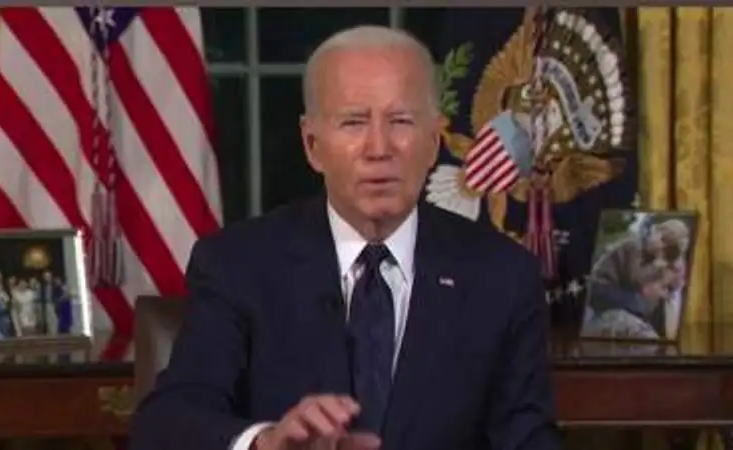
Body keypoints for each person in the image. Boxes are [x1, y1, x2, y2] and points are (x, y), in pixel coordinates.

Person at [130, 25, 559, 450]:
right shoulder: (238, 265)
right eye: (354, 122)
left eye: (401, 121)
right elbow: (166, 423)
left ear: (433, 141)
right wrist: (264, 443)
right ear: (312, 144)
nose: (379, 148)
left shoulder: (502, 277)